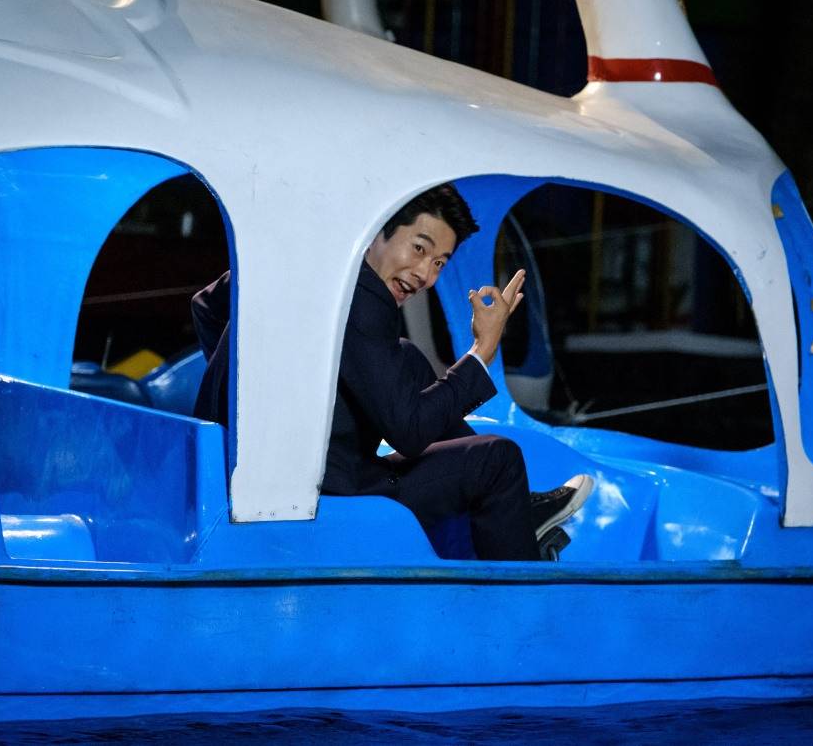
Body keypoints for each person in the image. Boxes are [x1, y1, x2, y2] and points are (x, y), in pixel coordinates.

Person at [192, 183, 593, 560]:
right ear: (377, 232)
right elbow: (410, 433)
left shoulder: (302, 264)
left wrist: (258, 385)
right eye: (419, 248)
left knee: (408, 357)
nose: (425, 275)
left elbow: (206, 306)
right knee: (497, 460)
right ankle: (520, 590)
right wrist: (481, 350)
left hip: (238, 468)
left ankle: (512, 507)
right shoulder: (364, 298)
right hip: (323, 491)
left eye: (439, 262)